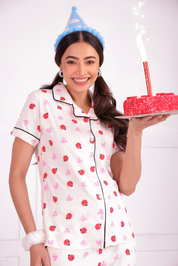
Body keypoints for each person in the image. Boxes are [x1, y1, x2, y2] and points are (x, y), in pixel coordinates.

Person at [9, 6, 170, 266]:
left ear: (99, 65)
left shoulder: (108, 115)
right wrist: (34, 239)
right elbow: (16, 175)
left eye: (90, 61)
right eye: (71, 61)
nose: (81, 70)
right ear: (60, 63)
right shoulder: (40, 103)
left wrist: (136, 131)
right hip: (66, 247)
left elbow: (127, 186)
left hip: (119, 243)